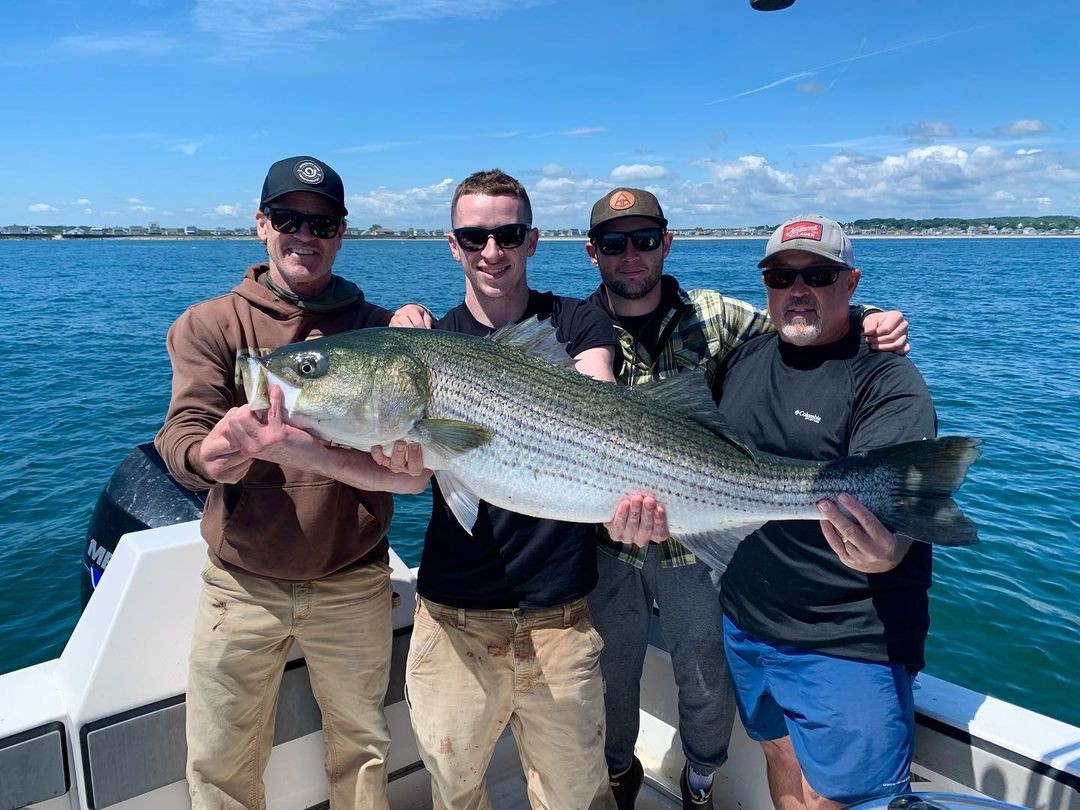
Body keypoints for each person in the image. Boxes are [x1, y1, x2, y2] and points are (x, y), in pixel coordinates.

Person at [581, 190, 910, 810]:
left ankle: (701, 777)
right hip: (608, 539)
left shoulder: (716, 317)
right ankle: (617, 772)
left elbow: (803, 326)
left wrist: (867, 319)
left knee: (706, 675)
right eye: (616, 243)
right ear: (593, 252)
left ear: (667, 243)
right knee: (610, 670)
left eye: (646, 239)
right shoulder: (576, 325)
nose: (632, 256)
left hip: (706, 530)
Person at [154, 155, 429, 810]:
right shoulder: (211, 325)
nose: (305, 235)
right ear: (261, 224)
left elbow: (419, 452)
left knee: (363, 752)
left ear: (340, 233)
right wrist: (207, 455)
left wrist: (420, 319)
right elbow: (180, 432)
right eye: (288, 219)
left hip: (354, 578)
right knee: (220, 761)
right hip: (242, 583)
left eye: (323, 223)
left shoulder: (379, 329)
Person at [389, 169, 618, 809]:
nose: (492, 251)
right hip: (453, 617)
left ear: (533, 239)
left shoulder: (576, 322)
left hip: (560, 617)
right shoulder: (428, 343)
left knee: (575, 797)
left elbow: (599, 395)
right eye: (474, 236)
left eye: (509, 234)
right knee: (455, 792)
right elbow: (408, 479)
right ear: (453, 244)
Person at [712, 214, 938, 809]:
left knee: (838, 799)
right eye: (781, 277)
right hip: (745, 618)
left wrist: (889, 549)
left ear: (851, 281)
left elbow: (895, 521)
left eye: (818, 273)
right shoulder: (743, 358)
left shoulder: (887, 379)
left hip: (844, 637)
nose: (798, 289)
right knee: (779, 758)